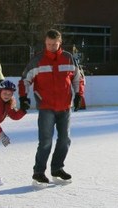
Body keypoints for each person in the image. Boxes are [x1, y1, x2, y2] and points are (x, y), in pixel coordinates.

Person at [18, 29, 85, 186]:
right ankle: (39, 173)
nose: (51, 47)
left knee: (65, 140)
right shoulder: (38, 60)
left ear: (60, 42)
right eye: (48, 44)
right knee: (46, 141)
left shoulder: (68, 58)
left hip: (65, 107)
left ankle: (57, 169)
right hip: (46, 107)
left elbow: (78, 78)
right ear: (45, 43)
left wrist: (78, 95)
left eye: (54, 44)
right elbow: (24, 80)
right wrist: (23, 97)